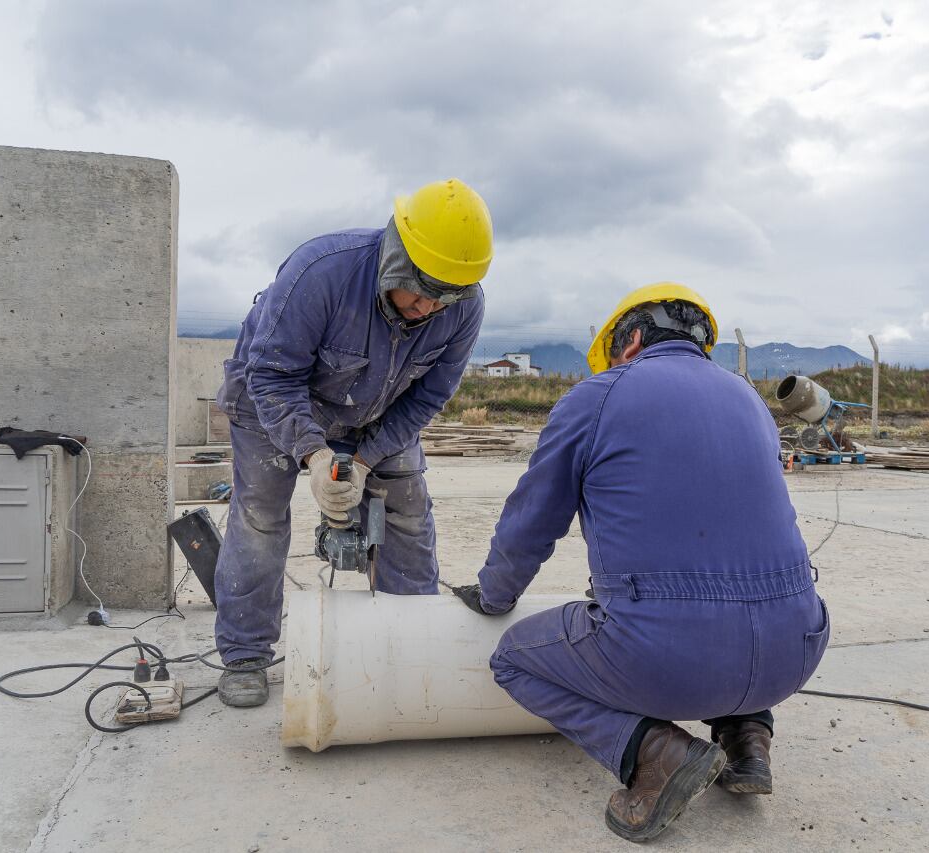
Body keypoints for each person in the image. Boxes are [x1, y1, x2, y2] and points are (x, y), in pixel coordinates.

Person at [451, 283, 830, 842]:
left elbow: (532, 521)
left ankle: (656, 755)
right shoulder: (748, 399)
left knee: (512, 659)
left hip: (670, 660)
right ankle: (748, 742)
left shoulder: (597, 397)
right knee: (736, 588)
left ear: (628, 341)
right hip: (797, 649)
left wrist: (494, 597)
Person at [213, 179, 492, 708]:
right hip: (272, 399)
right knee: (260, 515)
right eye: (423, 289)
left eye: (448, 296)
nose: (430, 307)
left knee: (407, 511)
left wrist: (363, 461)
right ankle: (245, 652)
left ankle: (410, 641)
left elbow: (427, 399)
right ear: (397, 259)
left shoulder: (462, 307)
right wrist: (315, 456)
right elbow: (270, 377)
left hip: (378, 409)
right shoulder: (322, 272)